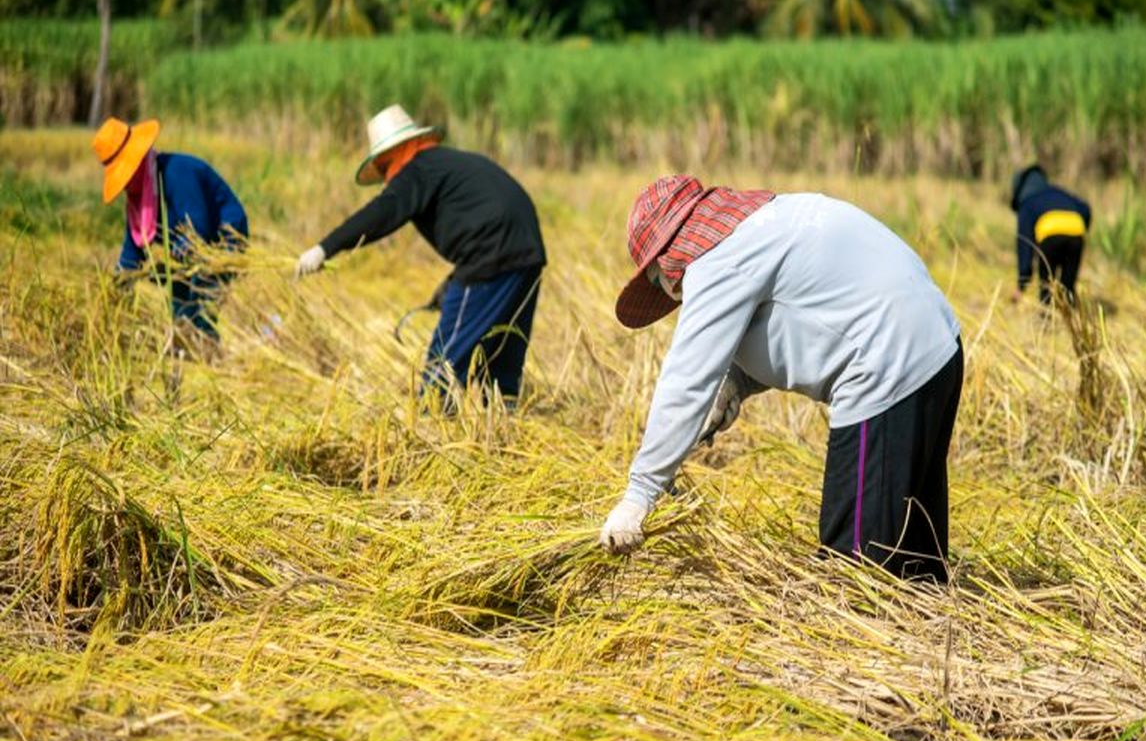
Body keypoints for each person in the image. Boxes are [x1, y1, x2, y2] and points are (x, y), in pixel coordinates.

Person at [599, 175, 963, 582]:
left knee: (858, 576)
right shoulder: (764, 225)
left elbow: (686, 381)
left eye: (656, 279)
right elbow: (804, 320)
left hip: (887, 366)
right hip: (938, 350)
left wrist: (640, 495)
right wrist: (738, 381)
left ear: (668, 259)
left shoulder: (717, 261)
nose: (667, 289)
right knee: (915, 565)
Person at [295, 105, 546, 409]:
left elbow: (380, 214)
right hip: (527, 252)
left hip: (491, 253)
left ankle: (432, 426)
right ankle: (505, 429)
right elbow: (481, 217)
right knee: (500, 359)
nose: (388, 180)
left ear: (390, 156)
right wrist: (454, 281)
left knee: (445, 364)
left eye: (386, 170)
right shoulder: (446, 164)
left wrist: (325, 248)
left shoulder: (416, 168)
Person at [92, 116, 248, 349]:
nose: (124, 184)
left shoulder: (177, 173)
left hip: (223, 237)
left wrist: (167, 267)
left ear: (136, 162)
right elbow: (132, 251)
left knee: (201, 301)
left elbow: (197, 227)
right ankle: (184, 349)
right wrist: (118, 286)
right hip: (186, 249)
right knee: (177, 302)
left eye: (125, 175)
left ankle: (209, 353)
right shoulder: (139, 200)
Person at [1010, 164, 1091, 306]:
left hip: (1050, 239)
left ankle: (1046, 320)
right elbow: (1085, 209)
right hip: (1076, 233)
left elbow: (1025, 244)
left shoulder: (1028, 203)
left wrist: (1022, 284)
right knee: (1068, 286)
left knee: (1046, 285)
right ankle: (1072, 320)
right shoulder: (1058, 192)